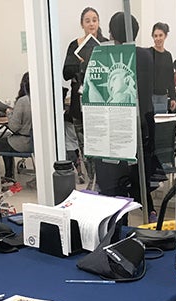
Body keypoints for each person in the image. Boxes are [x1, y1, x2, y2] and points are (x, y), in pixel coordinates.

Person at [93, 12, 158, 221]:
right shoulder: (147, 55)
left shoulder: (109, 56)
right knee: (137, 176)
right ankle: (146, 210)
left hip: (118, 127)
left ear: (111, 33)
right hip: (144, 126)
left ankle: (120, 225)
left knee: (117, 184)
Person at [63, 7, 108, 188]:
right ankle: (91, 180)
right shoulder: (75, 45)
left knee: (101, 144)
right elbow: (65, 73)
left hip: (100, 104)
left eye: (94, 20)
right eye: (87, 20)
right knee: (85, 146)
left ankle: (103, 180)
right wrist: (79, 63)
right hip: (79, 104)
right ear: (82, 24)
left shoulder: (104, 43)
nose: (91, 23)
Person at [0, 72, 32, 187]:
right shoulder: (39, 100)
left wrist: (9, 114)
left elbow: (14, 127)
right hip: (33, 142)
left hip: (22, 142)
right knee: (5, 140)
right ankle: (9, 175)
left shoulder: (23, 101)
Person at [151, 23, 176, 114]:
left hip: (163, 96)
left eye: (160, 35)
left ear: (165, 36)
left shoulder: (168, 55)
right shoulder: (149, 53)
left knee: (161, 123)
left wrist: (173, 97)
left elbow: (170, 78)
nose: (158, 38)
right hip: (150, 96)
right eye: (155, 36)